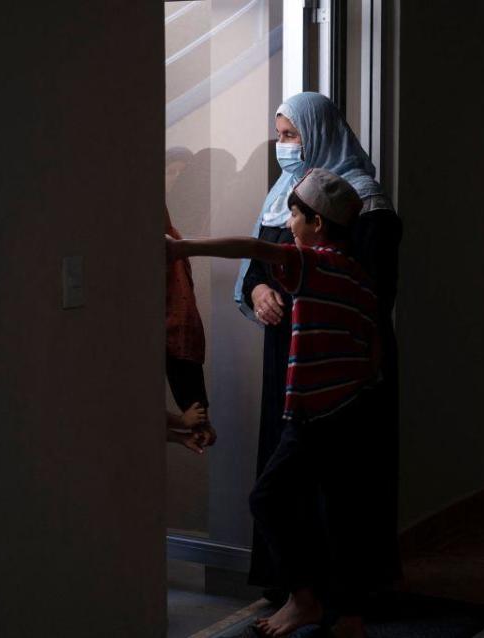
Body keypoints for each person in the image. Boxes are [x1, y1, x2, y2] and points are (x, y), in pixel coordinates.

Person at [169, 168, 381, 638]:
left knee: (266, 499)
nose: (287, 222)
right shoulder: (358, 278)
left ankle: (304, 600)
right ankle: (348, 617)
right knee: (341, 516)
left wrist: (184, 248)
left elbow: (252, 250)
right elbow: (372, 352)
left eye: (294, 213)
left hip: (312, 421)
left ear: (318, 224)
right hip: (349, 416)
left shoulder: (313, 263)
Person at [234, 92, 403, 595]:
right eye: (280, 136)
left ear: (321, 133)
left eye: (291, 136)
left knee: (344, 482)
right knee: (284, 478)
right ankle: (292, 588)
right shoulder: (283, 197)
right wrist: (260, 289)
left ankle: (346, 597)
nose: (283, 148)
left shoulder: (362, 201)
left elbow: (372, 292)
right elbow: (260, 267)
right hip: (286, 356)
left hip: (341, 363)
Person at [164, 204, 215, 453]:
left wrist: (195, 416)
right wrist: (186, 419)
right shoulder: (169, 245)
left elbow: (183, 328)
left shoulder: (171, 245)